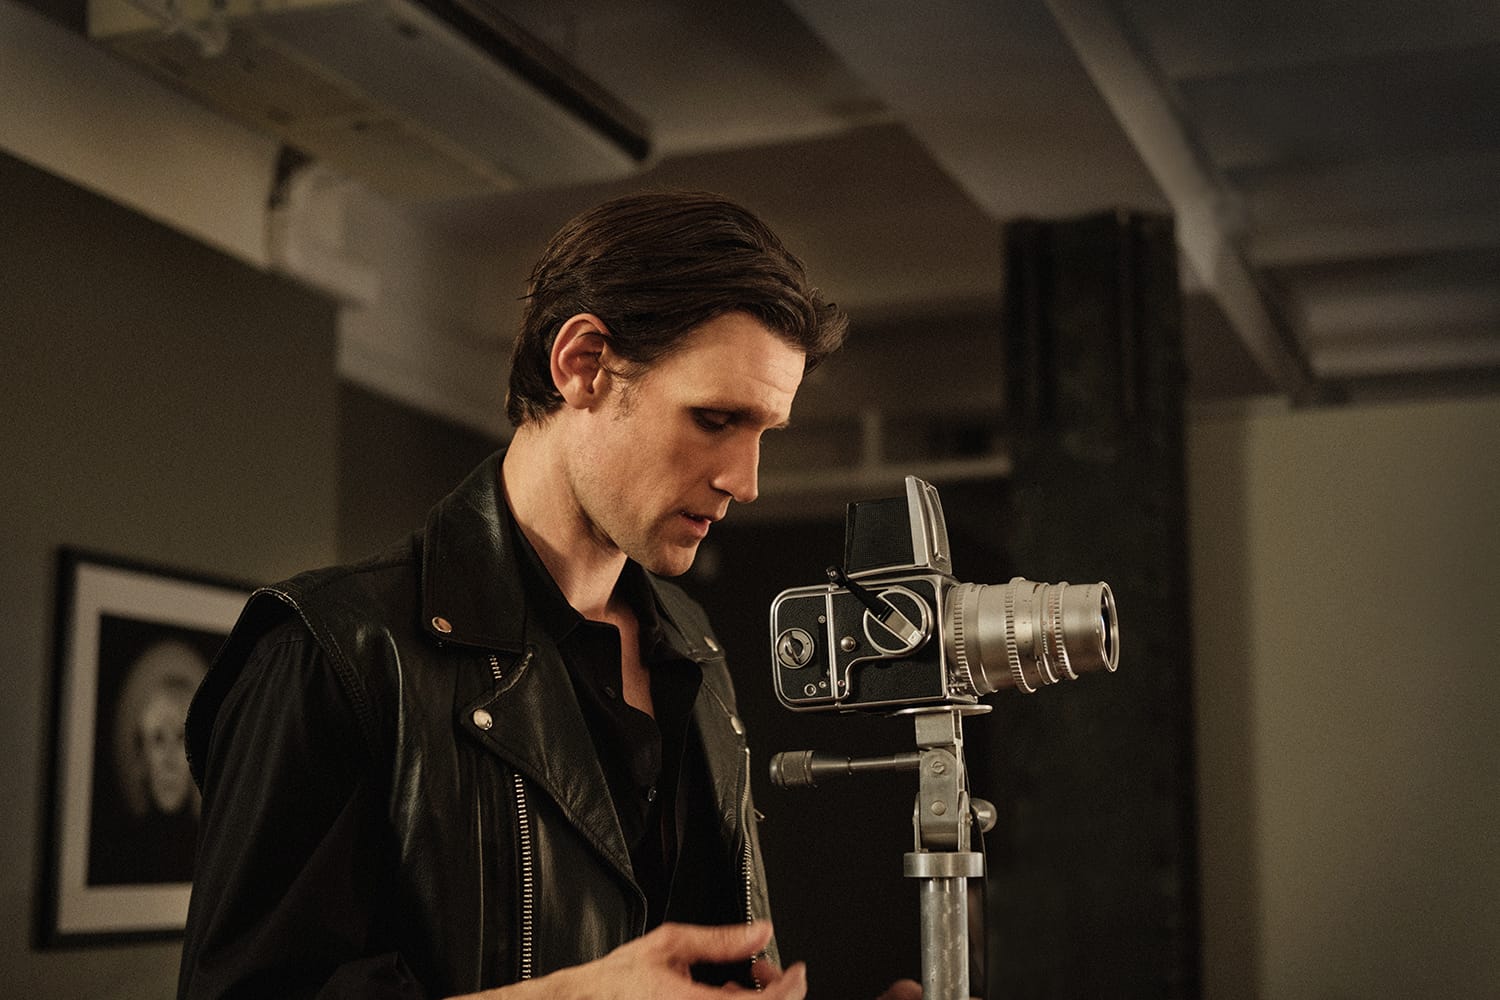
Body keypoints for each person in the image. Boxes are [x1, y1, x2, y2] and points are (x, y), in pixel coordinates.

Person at [178, 190, 917, 999]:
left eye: (763, 435)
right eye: (713, 419)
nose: (745, 482)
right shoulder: (329, 652)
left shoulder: (693, 645)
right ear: (584, 364)